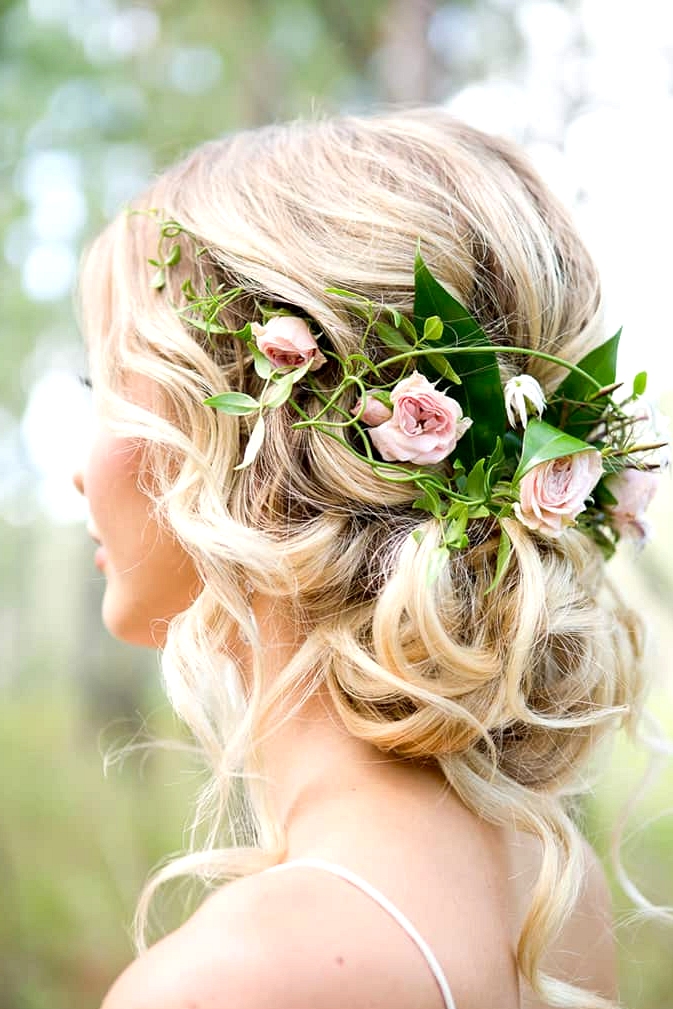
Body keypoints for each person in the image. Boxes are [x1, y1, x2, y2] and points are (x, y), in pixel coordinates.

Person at [72, 108, 663, 1009]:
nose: (79, 472)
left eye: (105, 388)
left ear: (249, 440)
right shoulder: (553, 888)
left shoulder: (232, 983)